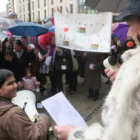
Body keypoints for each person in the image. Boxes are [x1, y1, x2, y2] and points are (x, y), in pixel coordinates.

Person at [54, 0, 140, 139]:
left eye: (130, 25)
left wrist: (74, 134)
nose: (129, 34)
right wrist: (124, 81)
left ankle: (94, 95)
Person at [0, 69, 50, 140]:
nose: (15, 85)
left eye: (14, 82)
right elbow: (35, 137)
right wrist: (44, 119)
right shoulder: (13, 113)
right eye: (10, 83)